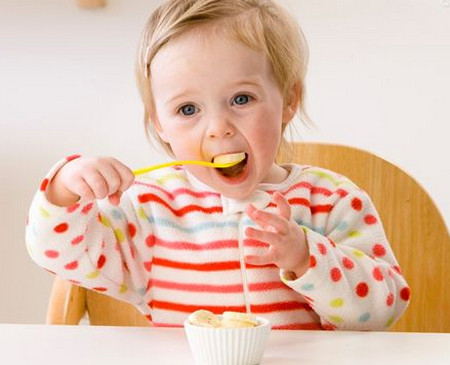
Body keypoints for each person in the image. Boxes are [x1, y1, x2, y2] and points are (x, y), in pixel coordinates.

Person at [26, 0, 410, 330]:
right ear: (159, 123)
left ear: (289, 100)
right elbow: (56, 252)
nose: (218, 129)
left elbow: (384, 308)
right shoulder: (151, 212)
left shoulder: (332, 201)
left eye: (242, 99)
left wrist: (304, 256)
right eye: (187, 109)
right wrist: (64, 189)